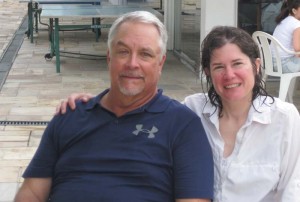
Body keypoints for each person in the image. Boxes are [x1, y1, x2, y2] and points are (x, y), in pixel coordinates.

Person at [59, 26, 300, 202]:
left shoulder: (285, 118)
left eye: (238, 64)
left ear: (256, 66)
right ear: (207, 72)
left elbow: (292, 191)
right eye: (218, 67)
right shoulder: (192, 110)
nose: (229, 75)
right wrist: (96, 103)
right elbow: (141, 110)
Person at [14, 11, 214, 202]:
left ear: (160, 64)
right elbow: (32, 191)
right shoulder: (70, 115)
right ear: (109, 58)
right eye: (123, 52)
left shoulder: (183, 126)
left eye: (145, 54)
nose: (132, 63)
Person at [272, 0, 300, 72]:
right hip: (285, 64)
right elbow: (298, 49)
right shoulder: (296, 24)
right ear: (294, 10)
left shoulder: (284, 21)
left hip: (273, 62)